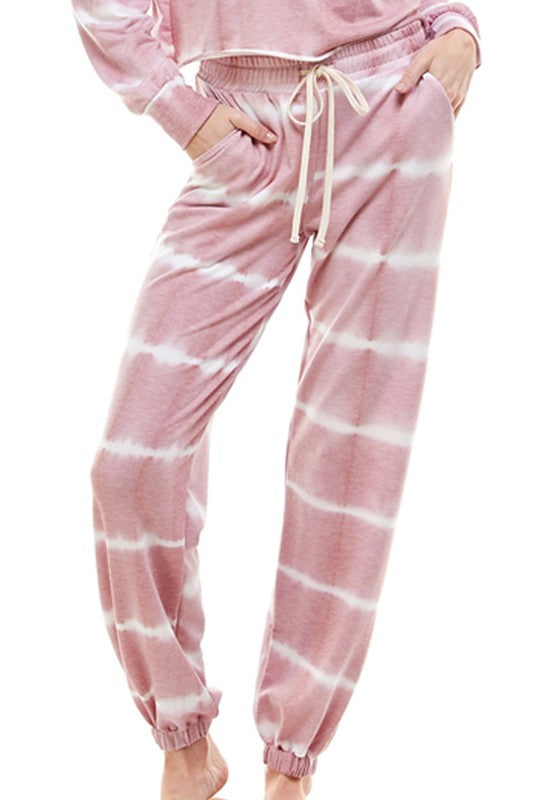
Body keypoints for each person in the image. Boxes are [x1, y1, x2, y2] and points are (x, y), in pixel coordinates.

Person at [70, 2, 482, 798]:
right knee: (130, 464)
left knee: (349, 449)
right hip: (243, 130)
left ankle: (290, 764)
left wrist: (458, 26)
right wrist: (183, 113)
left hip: (392, 104)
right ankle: (185, 740)